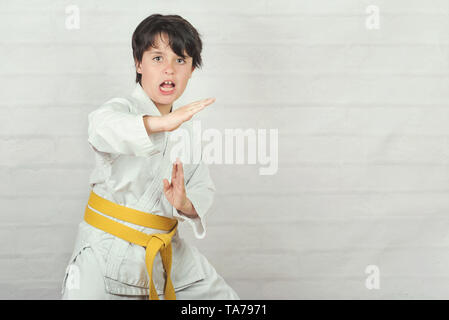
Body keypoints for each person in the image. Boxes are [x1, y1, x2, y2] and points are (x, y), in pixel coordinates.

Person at [61, 13, 240, 300]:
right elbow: (100, 128)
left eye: (180, 60)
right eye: (157, 58)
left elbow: (203, 187)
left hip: (168, 252)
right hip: (107, 251)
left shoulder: (188, 129)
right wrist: (159, 124)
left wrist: (185, 204)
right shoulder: (120, 110)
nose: (169, 69)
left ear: (192, 70)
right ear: (138, 63)